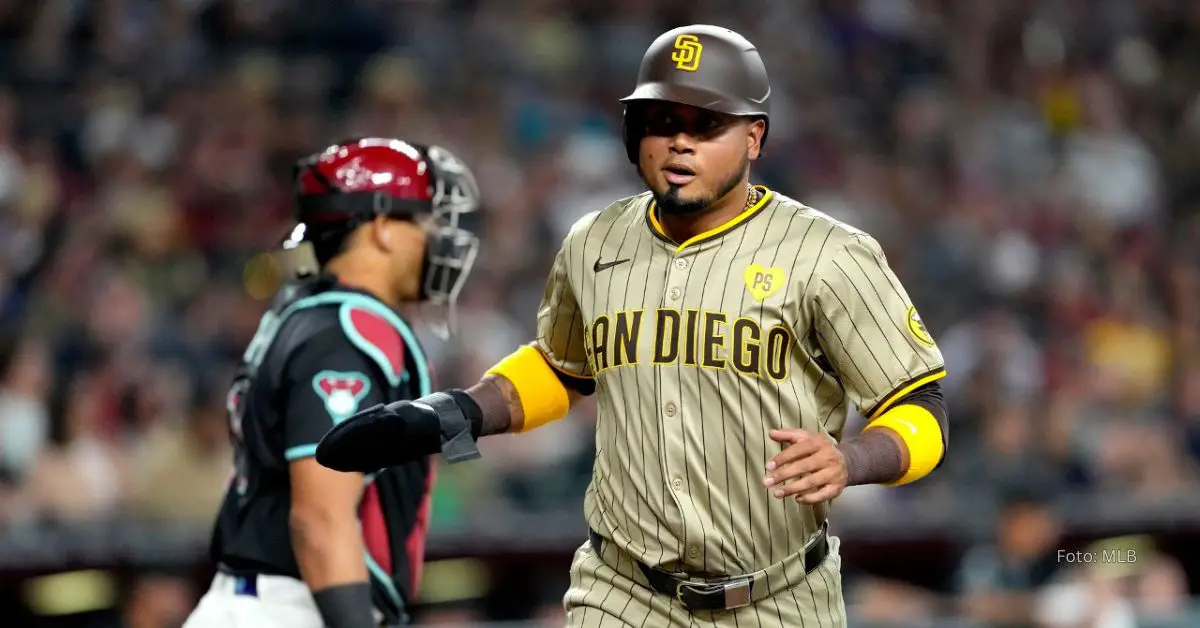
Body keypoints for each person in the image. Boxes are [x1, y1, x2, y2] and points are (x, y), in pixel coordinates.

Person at [317, 25, 950, 627]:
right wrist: (452, 414)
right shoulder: (593, 243)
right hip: (622, 593)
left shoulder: (828, 253)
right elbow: (562, 368)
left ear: (754, 138)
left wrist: (853, 458)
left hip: (782, 595)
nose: (680, 142)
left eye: (707, 125)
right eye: (662, 122)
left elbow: (922, 406)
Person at [183, 138, 482, 628]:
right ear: (383, 228)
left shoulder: (313, 316)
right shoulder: (344, 331)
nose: (437, 237)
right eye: (425, 218)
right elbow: (320, 517)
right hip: (291, 608)